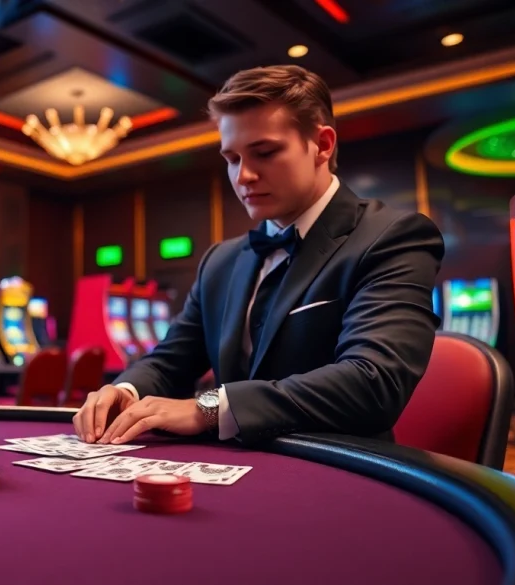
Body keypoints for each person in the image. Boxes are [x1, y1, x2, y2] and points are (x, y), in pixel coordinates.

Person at [73, 64, 444, 446]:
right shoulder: (220, 260)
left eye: (264, 153)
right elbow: (170, 361)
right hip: (229, 468)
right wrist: (126, 390)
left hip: (338, 471)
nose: (243, 175)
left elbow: (374, 382)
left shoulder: (392, 237)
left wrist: (209, 408)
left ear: (323, 145)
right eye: (232, 159)